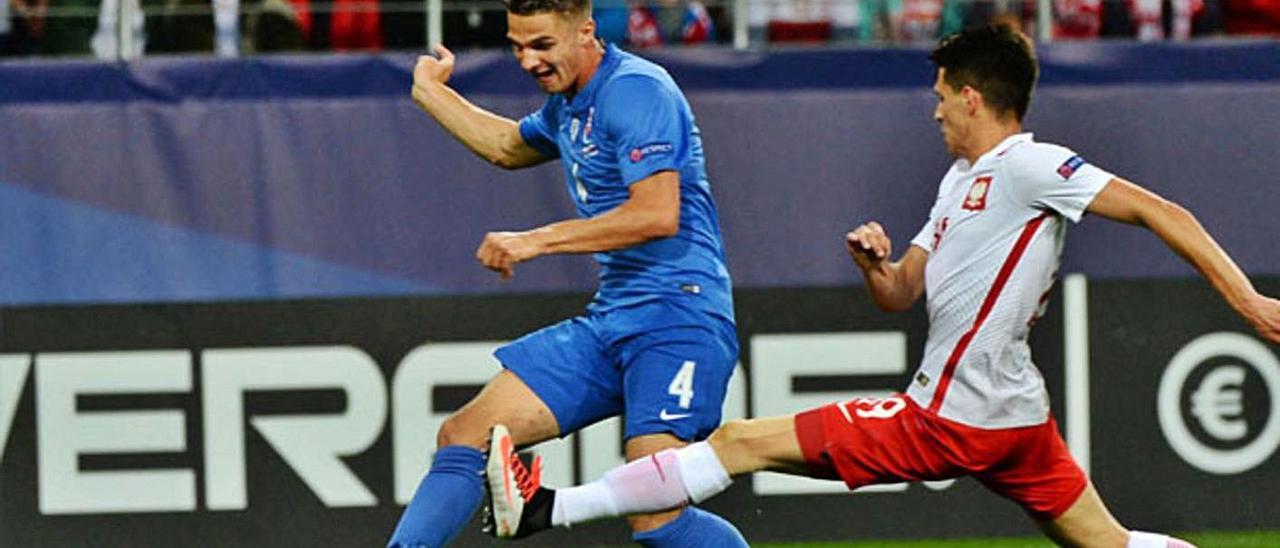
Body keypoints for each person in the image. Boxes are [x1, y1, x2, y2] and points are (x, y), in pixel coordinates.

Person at [485, 24, 1280, 546]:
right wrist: (877, 265)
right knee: (1109, 543)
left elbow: (1158, 209)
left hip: (948, 418)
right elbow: (902, 294)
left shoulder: (1033, 164)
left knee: (732, 442)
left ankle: (549, 509)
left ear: (972, 97)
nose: (934, 111)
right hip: (1010, 418)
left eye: (940, 97)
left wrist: (1248, 302)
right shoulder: (959, 181)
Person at [385, 0, 746, 546]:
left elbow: (656, 213)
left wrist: (535, 240)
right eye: (518, 46)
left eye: (542, 46)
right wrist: (430, 92)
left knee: (655, 511)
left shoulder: (636, 89)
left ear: (586, 32)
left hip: (681, 316)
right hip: (613, 319)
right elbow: (508, 146)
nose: (528, 61)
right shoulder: (568, 105)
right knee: (465, 433)